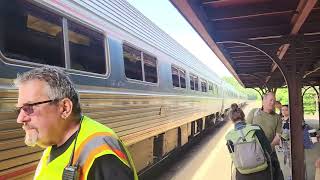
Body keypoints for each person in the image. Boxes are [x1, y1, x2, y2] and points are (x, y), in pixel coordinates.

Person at [15, 66, 138, 180]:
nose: (20, 119)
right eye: (19, 109)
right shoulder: (54, 143)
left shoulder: (100, 152)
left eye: (29, 108)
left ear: (64, 108)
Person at [225, 104, 273, 180]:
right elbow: (269, 150)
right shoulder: (256, 129)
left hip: (243, 175)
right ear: (244, 117)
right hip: (262, 172)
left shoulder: (229, 137)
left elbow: (234, 158)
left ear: (231, 120)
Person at [246, 92, 284, 180]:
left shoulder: (277, 117)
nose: (273, 103)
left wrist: (268, 149)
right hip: (253, 152)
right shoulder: (253, 112)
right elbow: (246, 130)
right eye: (271, 100)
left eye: (274, 101)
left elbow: (278, 136)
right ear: (264, 101)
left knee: (277, 175)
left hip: (270, 152)